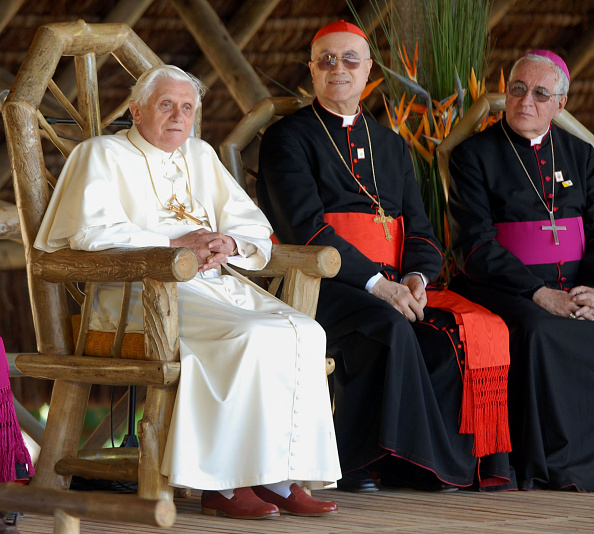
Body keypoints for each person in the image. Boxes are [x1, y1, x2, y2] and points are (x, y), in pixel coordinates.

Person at [34, 65, 341, 518]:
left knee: (305, 330)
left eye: (187, 108)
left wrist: (229, 242)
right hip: (135, 296)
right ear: (136, 111)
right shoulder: (99, 153)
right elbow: (88, 233)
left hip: (211, 287)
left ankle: (278, 477)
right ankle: (222, 486)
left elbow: (251, 223)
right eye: (166, 105)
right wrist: (175, 246)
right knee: (249, 336)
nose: (178, 116)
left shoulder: (199, 155)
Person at [257, 20, 513, 493]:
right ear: (311, 71)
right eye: (327, 60)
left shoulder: (391, 145)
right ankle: (357, 460)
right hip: (315, 284)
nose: (339, 68)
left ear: (368, 69)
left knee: (453, 338)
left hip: (395, 284)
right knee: (389, 326)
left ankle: (412, 466)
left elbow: (420, 229)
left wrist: (416, 278)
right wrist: (379, 285)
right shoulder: (287, 139)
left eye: (350, 58)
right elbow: (306, 229)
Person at [448, 50, 594, 491]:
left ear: (560, 104)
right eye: (517, 89)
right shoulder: (472, 155)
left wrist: (591, 290)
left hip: (576, 286)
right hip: (505, 287)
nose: (525, 100)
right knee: (540, 330)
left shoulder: (583, 155)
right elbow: (475, 247)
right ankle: (555, 465)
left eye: (540, 93)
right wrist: (538, 292)